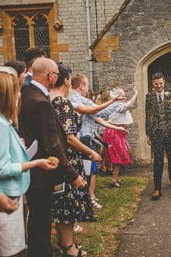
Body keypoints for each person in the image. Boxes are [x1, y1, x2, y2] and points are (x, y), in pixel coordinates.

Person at [0, 67, 56, 257]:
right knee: (9, 252)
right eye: (17, 90)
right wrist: (36, 163)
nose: (20, 95)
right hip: (2, 196)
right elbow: (2, 168)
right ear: (5, 94)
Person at [18, 58, 87, 257]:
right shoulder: (40, 102)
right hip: (41, 174)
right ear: (51, 76)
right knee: (41, 224)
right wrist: (73, 174)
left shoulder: (29, 94)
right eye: (55, 73)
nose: (56, 76)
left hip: (33, 169)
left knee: (37, 223)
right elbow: (52, 144)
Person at [49, 62, 98, 257]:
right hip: (67, 159)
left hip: (53, 157)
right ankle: (69, 246)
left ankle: (63, 242)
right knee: (68, 203)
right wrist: (91, 153)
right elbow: (70, 138)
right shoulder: (63, 103)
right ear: (67, 81)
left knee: (60, 202)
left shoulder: (48, 99)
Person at [68, 73, 126, 209]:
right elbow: (102, 113)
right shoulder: (82, 100)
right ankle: (87, 200)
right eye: (86, 85)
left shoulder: (69, 97)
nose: (87, 88)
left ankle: (85, 198)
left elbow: (96, 118)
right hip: (83, 139)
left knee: (81, 170)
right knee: (88, 171)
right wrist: (118, 101)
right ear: (81, 86)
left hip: (76, 139)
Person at [145, 72, 171, 200]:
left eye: (161, 83)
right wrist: (148, 134)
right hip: (157, 133)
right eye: (156, 84)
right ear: (153, 84)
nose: (159, 86)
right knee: (158, 160)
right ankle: (157, 188)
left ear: (164, 82)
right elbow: (148, 116)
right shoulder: (149, 97)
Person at [96, 86, 138, 188]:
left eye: (124, 95)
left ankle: (115, 177)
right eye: (122, 96)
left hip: (116, 131)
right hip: (114, 132)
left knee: (118, 156)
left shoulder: (117, 105)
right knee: (118, 157)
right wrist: (136, 94)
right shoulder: (117, 106)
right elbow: (129, 104)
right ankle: (114, 179)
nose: (124, 97)